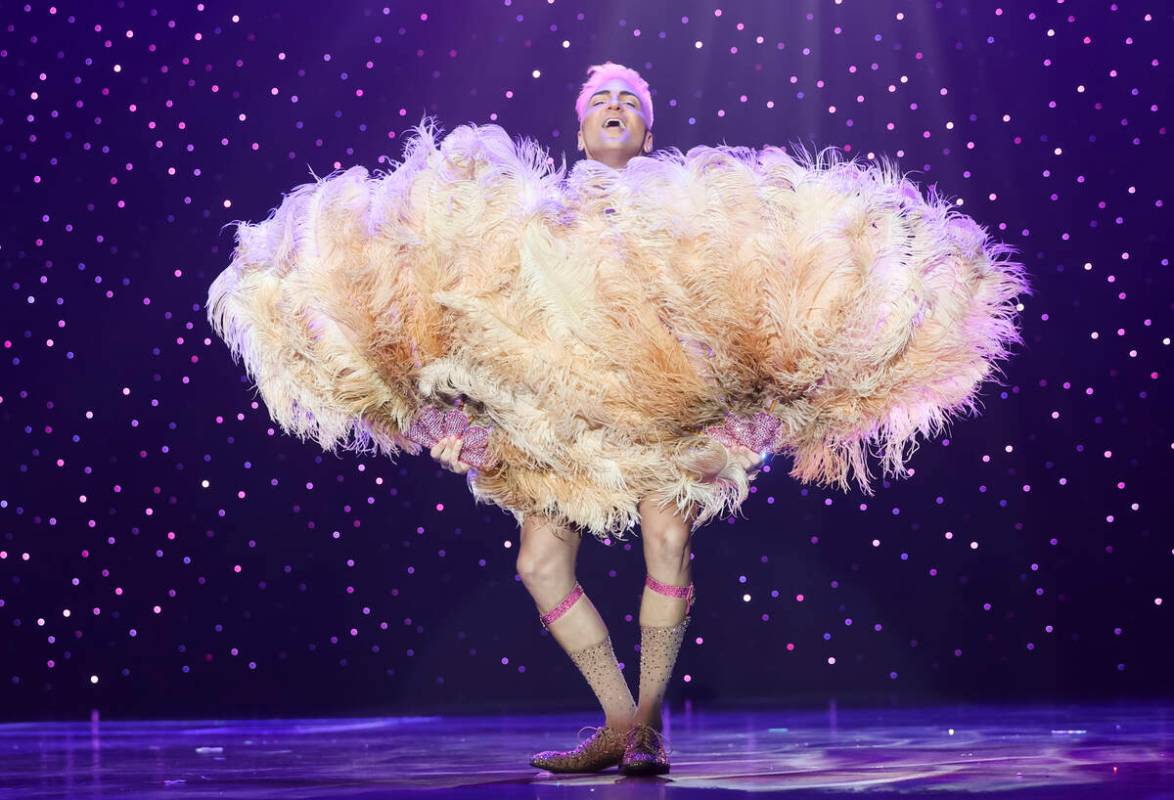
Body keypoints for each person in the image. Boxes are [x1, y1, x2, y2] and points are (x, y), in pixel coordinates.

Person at [429, 63, 765, 776]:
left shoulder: (686, 208)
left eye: (630, 103)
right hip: (561, 406)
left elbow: (734, 307)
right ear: (581, 135)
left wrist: (744, 414)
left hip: (664, 397)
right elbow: (493, 312)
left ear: (649, 133)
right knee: (538, 562)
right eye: (600, 103)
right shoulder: (541, 213)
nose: (614, 109)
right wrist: (464, 415)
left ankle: (648, 727)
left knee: (667, 541)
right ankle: (621, 719)